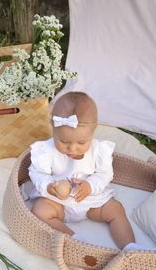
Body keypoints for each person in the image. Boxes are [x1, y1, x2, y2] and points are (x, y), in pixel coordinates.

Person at [28, 91, 144, 250]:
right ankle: (74, 240)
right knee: (40, 210)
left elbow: (105, 174)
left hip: (90, 202)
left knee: (116, 209)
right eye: (63, 141)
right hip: (59, 202)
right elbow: (36, 173)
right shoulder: (46, 151)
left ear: (93, 132)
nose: (72, 148)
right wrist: (48, 185)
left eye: (81, 142)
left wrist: (90, 185)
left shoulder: (98, 150)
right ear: (53, 128)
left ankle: (130, 247)